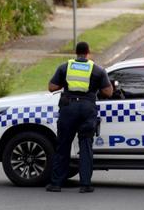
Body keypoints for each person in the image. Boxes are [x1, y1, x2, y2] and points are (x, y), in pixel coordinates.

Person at [46, 41, 112, 193]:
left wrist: (65, 83)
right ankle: (85, 185)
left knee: (63, 146)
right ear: (88, 53)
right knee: (86, 147)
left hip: (68, 108)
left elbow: (51, 87)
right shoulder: (97, 70)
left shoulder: (65, 67)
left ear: (75, 53)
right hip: (87, 109)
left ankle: (56, 184)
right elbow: (108, 92)